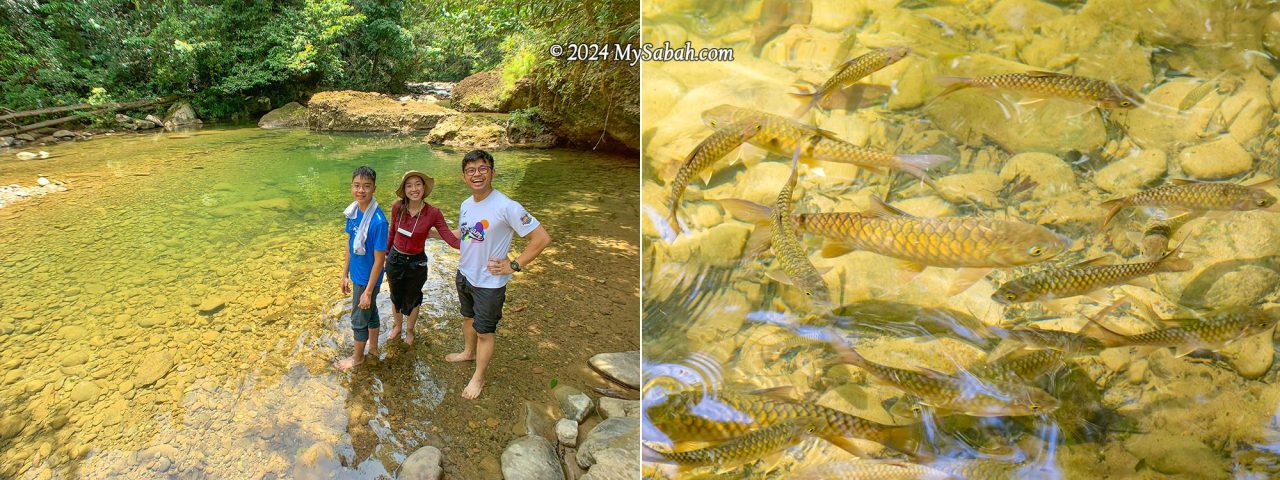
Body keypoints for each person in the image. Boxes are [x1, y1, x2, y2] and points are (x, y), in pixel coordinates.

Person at [440, 150, 551, 399]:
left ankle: (478, 377)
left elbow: (541, 238)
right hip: (465, 274)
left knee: (484, 331)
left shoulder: (507, 206)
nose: (477, 174)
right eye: (471, 170)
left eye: (482, 169)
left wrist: (514, 264)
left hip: (490, 283)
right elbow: (464, 233)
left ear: (492, 172)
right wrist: (435, 233)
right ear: (463, 176)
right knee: (467, 318)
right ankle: (468, 353)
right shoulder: (466, 204)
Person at [385, 170, 460, 346]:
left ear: (424, 187)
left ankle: (410, 331)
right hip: (395, 258)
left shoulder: (433, 213)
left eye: (418, 184)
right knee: (395, 295)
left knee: (413, 297)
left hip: (416, 262)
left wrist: (472, 245)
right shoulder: (397, 207)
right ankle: (397, 326)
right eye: (409, 185)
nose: (414, 189)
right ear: (404, 189)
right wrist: (386, 256)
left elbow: (449, 237)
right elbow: (391, 232)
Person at [337, 166, 389, 370]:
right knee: (371, 312)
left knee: (359, 319)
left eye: (366, 186)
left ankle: (357, 358)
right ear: (352, 187)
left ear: (374, 188)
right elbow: (350, 244)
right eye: (357, 186)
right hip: (357, 275)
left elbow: (379, 261)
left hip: (368, 279)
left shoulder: (378, 222)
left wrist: (368, 291)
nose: (361, 190)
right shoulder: (352, 212)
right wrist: (344, 274)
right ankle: (373, 347)